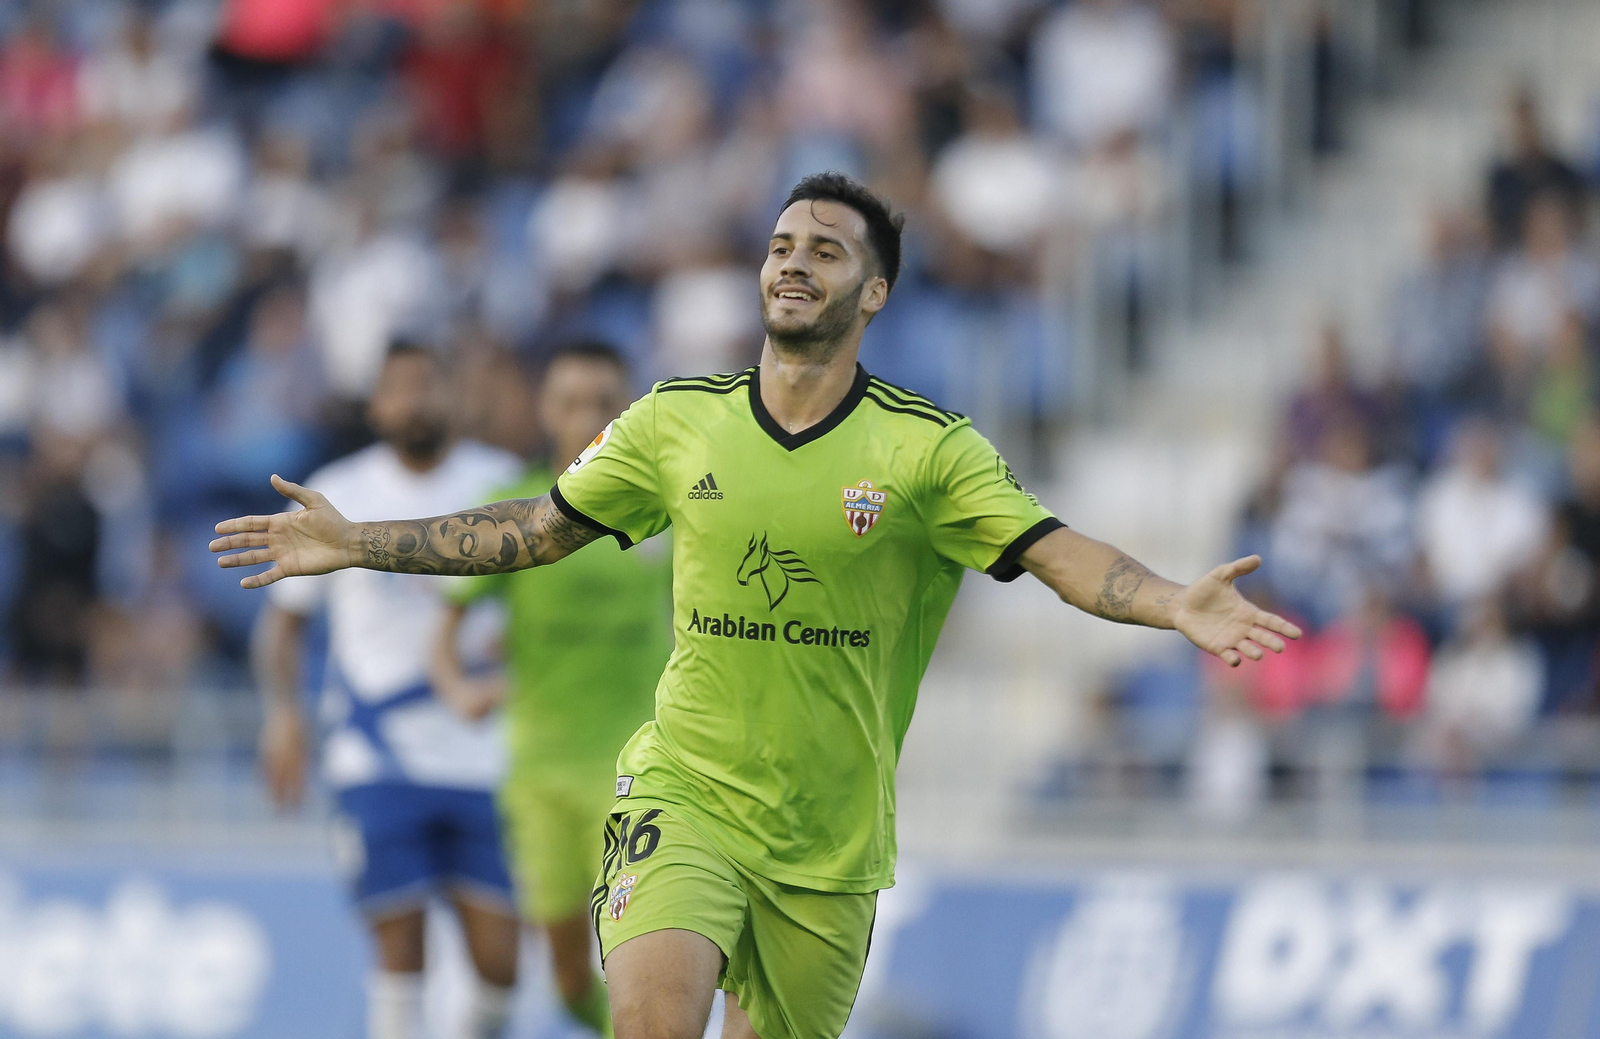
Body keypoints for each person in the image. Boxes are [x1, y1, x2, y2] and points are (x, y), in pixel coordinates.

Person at [213, 172, 1301, 1039]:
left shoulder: (928, 450)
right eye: (781, 246)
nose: (793, 264)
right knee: (647, 1019)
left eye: (825, 251)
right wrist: (355, 542)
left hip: (830, 844)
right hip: (684, 790)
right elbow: (533, 527)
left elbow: (1052, 550)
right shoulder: (674, 421)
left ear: (873, 292)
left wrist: (1170, 603)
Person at [250, 341, 523, 1039]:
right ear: (376, 404)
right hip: (377, 753)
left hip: (484, 748)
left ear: (454, 397)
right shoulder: (338, 490)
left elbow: (545, 607)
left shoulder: (505, 483)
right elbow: (282, 626)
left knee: (499, 962)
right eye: (399, 388)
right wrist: (282, 717)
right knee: (399, 954)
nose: (415, 401)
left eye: (428, 385)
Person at [432, 341, 671, 1038]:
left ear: (625, 411)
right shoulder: (519, 515)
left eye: (603, 403)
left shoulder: (661, 510)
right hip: (539, 775)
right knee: (571, 977)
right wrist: (458, 688)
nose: (588, 418)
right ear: (546, 409)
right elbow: (444, 627)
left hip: (639, 770)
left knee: (639, 959)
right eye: (571, 403)